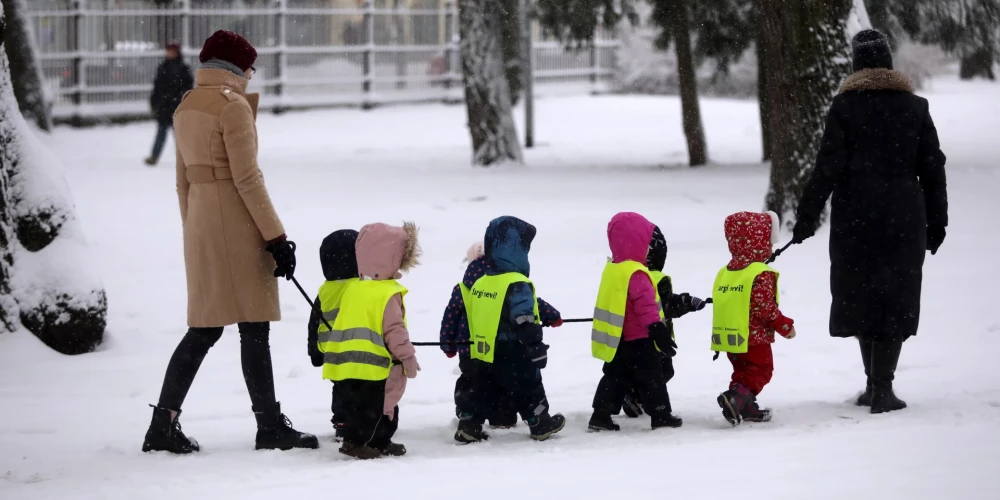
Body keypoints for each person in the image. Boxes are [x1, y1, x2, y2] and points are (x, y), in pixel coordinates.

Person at [142, 30, 316, 454]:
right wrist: (277, 237)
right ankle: (269, 425)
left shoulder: (186, 105)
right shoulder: (231, 107)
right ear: (237, 67)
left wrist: (193, 230)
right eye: (250, 67)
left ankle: (162, 423)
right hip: (236, 225)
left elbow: (182, 182)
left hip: (202, 222)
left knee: (203, 329)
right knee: (253, 329)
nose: (253, 75)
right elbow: (247, 179)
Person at [792, 29, 948, 414]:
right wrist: (937, 220)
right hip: (903, 216)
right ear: (889, 62)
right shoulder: (915, 108)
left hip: (855, 217)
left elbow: (826, 167)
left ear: (856, 63)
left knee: (861, 295)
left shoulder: (845, 107)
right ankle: (883, 387)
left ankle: (872, 385)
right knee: (895, 296)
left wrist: (807, 217)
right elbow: (932, 169)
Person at [456, 216, 567, 442]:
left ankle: (470, 425)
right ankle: (539, 422)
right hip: (514, 348)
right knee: (529, 385)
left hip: (485, 351)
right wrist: (534, 343)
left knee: (482, 389)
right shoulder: (516, 282)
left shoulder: (482, 282)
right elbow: (523, 315)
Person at [326, 222, 421, 460]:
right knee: (380, 407)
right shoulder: (387, 293)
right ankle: (358, 443)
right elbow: (394, 329)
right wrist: (407, 355)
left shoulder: (354, 288)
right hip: (375, 365)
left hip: (347, 363)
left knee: (360, 407)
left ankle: (376, 441)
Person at [588, 212, 676, 432]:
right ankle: (661, 414)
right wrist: (657, 329)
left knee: (614, 377)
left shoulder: (613, 269)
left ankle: (600, 414)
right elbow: (645, 305)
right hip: (640, 338)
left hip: (618, 338)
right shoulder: (637, 272)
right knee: (653, 377)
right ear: (639, 241)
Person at [713, 211, 796, 426]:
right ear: (761, 241)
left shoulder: (728, 271)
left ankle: (743, 405)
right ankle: (736, 398)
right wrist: (783, 324)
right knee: (761, 370)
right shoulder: (759, 272)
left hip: (731, 336)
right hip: (754, 337)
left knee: (742, 371)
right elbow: (764, 307)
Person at [619, 225, 707, 426]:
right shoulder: (655, 278)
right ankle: (643, 401)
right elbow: (666, 304)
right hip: (655, 336)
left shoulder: (626, 273)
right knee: (662, 372)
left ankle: (634, 395)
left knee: (636, 370)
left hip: (628, 336)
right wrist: (687, 302)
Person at [307, 229, 360, 441]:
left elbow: (314, 322)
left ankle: (342, 421)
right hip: (358, 348)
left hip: (330, 350)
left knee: (340, 386)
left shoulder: (324, 290)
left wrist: (314, 351)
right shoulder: (360, 288)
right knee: (358, 386)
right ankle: (361, 419)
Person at [145, 42, 192, 166]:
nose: (169, 53)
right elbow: (157, 86)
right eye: (168, 51)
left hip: (177, 106)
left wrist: (180, 100)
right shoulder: (163, 67)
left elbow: (188, 88)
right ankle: (154, 156)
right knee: (161, 133)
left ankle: (185, 159)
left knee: (179, 135)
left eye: (172, 51)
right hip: (164, 107)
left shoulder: (183, 69)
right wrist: (154, 101)